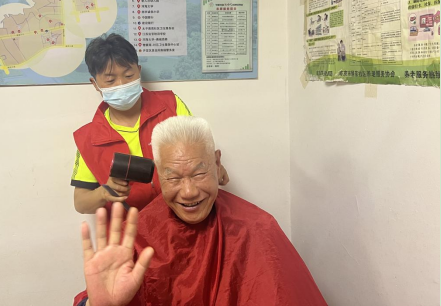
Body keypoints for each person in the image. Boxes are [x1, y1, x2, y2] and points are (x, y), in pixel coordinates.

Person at [74, 117, 327, 306]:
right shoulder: (138, 236)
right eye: (173, 178)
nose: (189, 192)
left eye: (199, 173)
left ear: (217, 163)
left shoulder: (258, 227)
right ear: (159, 173)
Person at [72, 34, 229, 214]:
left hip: (181, 220)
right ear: (95, 83)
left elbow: (199, 150)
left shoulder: (170, 105)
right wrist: (104, 192)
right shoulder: (89, 138)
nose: (121, 84)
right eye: (110, 80)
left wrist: (214, 168)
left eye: (129, 75)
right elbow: (80, 203)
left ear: (138, 71)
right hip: (130, 227)